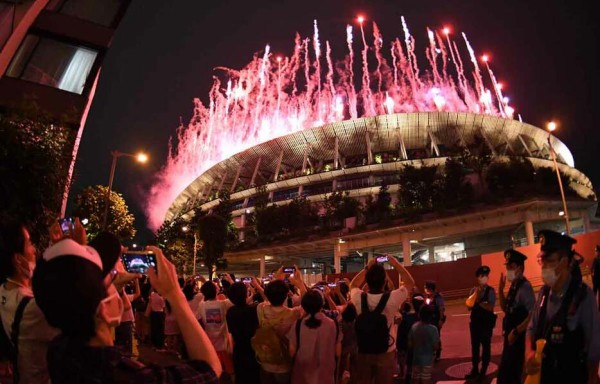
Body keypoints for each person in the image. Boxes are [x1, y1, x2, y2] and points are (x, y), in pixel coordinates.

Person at [32, 240, 222, 382]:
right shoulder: (131, 377)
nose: (116, 280)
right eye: (111, 279)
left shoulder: (58, 350)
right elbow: (211, 369)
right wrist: (175, 294)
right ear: (106, 310)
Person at [525, 230, 600, 384]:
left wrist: (592, 377)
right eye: (542, 261)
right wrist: (529, 353)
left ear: (564, 262)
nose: (544, 266)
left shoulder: (583, 297)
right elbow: (531, 328)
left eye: (549, 260)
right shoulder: (543, 294)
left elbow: (594, 349)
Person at [0, 217, 60, 384]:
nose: (34, 249)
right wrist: (76, 248)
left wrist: (56, 247)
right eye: (29, 243)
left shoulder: (4, 290)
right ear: (19, 259)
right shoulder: (31, 308)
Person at [349, 255, 415, 384]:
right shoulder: (392, 298)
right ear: (385, 281)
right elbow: (410, 282)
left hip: (363, 350)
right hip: (386, 351)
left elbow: (353, 284)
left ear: (367, 283)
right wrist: (395, 263)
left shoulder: (358, 297)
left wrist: (367, 267)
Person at [252, 267, 305, 384]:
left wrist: (276, 279)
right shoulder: (293, 314)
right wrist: (300, 283)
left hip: (265, 360)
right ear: (287, 295)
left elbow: (267, 296)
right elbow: (307, 304)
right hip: (283, 363)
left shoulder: (261, 309)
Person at [496, 249, 535, 384]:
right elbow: (505, 308)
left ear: (520, 268)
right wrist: (500, 290)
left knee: (512, 375)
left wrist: (517, 331)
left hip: (519, 340)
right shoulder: (514, 286)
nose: (508, 270)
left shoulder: (525, 288)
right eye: (507, 266)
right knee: (505, 375)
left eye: (511, 266)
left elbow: (533, 314)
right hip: (510, 338)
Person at [288, 289, 341, 384]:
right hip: (326, 375)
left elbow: (292, 352)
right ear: (322, 304)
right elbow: (338, 352)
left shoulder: (298, 325)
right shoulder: (333, 324)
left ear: (303, 306)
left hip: (302, 375)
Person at [196, 279, 234, 378]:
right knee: (228, 372)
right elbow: (238, 297)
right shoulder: (223, 304)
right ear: (216, 291)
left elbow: (198, 320)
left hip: (210, 343)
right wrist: (230, 280)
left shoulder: (201, 305)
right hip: (223, 344)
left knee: (214, 372)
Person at [465, 265, 496, 381]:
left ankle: (483, 370)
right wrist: (475, 299)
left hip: (486, 324)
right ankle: (475, 369)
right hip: (475, 324)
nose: (484, 278)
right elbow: (468, 306)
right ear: (478, 278)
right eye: (482, 276)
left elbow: (490, 307)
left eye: (486, 276)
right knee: (475, 347)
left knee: (486, 347)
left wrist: (478, 302)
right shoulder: (473, 291)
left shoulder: (490, 291)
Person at [226, 281, 260, 384]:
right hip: (253, 350)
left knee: (240, 377)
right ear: (246, 294)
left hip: (238, 350)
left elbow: (231, 331)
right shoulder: (253, 310)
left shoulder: (230, 312)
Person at [407, 305, 440, 384]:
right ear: (431, 316)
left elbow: (409, 344)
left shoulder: (414, 327)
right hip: (427, 360)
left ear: (419, 315)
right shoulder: (433, 329)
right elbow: (436, 346)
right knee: (425, 379)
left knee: (415, 379)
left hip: (416, 359)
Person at [423, 280, 445, 361]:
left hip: (436, 320)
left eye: (426, 288)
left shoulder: (438, 297)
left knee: (436, 336)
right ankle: (431, 352)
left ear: (430, 288)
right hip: (429, 320)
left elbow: (441, 309)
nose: (425, 290)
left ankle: (438, 354)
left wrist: (440, 320)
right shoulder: (428, 296)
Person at [397, 301, 418, 382]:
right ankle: (410, 372)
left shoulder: (402, 318)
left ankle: (402, 374)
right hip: (410, 341)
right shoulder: (413, 317)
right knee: (409, 358)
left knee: (402, 357)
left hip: (402, 341)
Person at [592, 245, 600, 310]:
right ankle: (593, 307)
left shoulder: (597, 260)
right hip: (595, 281)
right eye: (595, 251)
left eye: (596, 251)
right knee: (594, 294)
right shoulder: (595, 260)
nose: (595, 252)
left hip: (598, 280)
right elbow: (592, 270)